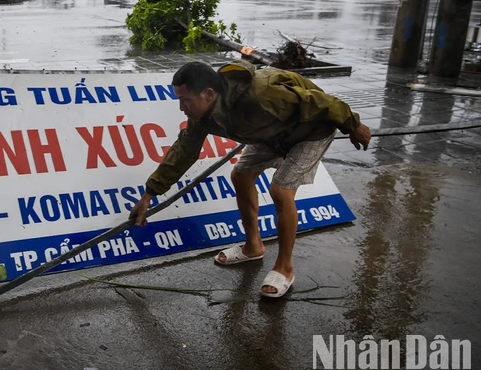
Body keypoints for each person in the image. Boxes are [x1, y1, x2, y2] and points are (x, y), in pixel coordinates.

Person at [129, 61, 371, 298]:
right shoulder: (201, 117)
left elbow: (320, 102)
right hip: (271, 135)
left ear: (208, 94)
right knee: (241, 176)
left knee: (280, 190)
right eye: (179, 100)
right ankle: (253, 246)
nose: (182, 108)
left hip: (310, 131)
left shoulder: (260, 96)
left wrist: (353, 125)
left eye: (185, 100)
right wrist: (149, 194)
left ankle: (284, 269)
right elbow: (183, 151)